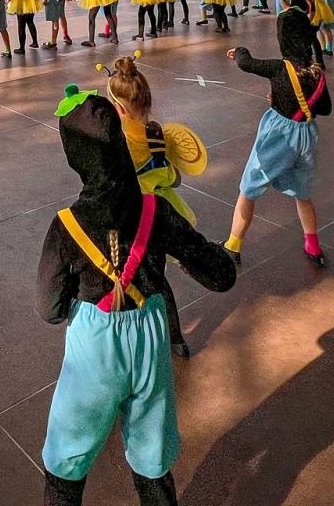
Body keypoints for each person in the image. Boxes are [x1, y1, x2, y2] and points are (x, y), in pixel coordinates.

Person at [37, 87, 236, 506]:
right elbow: (221, 276)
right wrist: (199, 256)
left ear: (75, 155)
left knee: (67, 456)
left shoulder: (66, 226)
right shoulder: (154, 209)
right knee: (152, 453)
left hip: (94, 345)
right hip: (150, 335)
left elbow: (50, 309)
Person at [101, 53, 201, 359]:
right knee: (158, 280)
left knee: (121, 279)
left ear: (117, 107)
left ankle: (121, 346)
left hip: (128, 221)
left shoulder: (115, 140)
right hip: (158, 215)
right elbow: (174, 179)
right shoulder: (158, 132)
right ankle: (174, 338)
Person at [224, 7, 329, 268]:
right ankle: (313, 245)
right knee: (303, 193)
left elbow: (248, 64)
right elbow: (324, 108)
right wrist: (291, 101)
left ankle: (232, 245)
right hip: (306, 134)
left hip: (280, 135)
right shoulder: (317, 72)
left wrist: (239, 51)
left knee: (248, 188)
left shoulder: (279, 68)